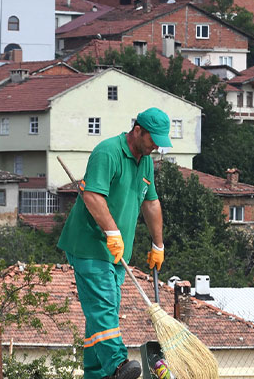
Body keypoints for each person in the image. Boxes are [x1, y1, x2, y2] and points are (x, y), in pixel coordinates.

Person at [58, 108, 169, 379]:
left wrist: (158, 245)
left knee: (100, 313)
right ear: (138, 130)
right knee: (105, 305)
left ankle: (96, 374)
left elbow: (151, 202)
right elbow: (93, 196)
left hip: (117, 254)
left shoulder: (144, 161)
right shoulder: (107, 152)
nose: (156, 146)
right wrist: (112, 232)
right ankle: (118, 365)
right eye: (153, 139)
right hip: (90, 245)